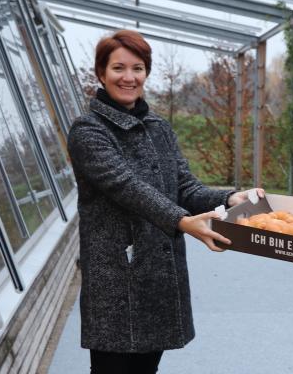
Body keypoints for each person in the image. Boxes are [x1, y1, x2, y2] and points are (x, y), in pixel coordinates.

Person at [67, 30, 263, 374]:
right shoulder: (88, 131)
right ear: (101, 73)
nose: (128, 77)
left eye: (138, 68)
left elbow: (184, 186)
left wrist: (231, 197)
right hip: (117, 275)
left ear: (146, 73)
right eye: (118, 68)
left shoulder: (158, 127)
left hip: (158, 274)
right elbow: (126, 187)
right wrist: (182, 222)